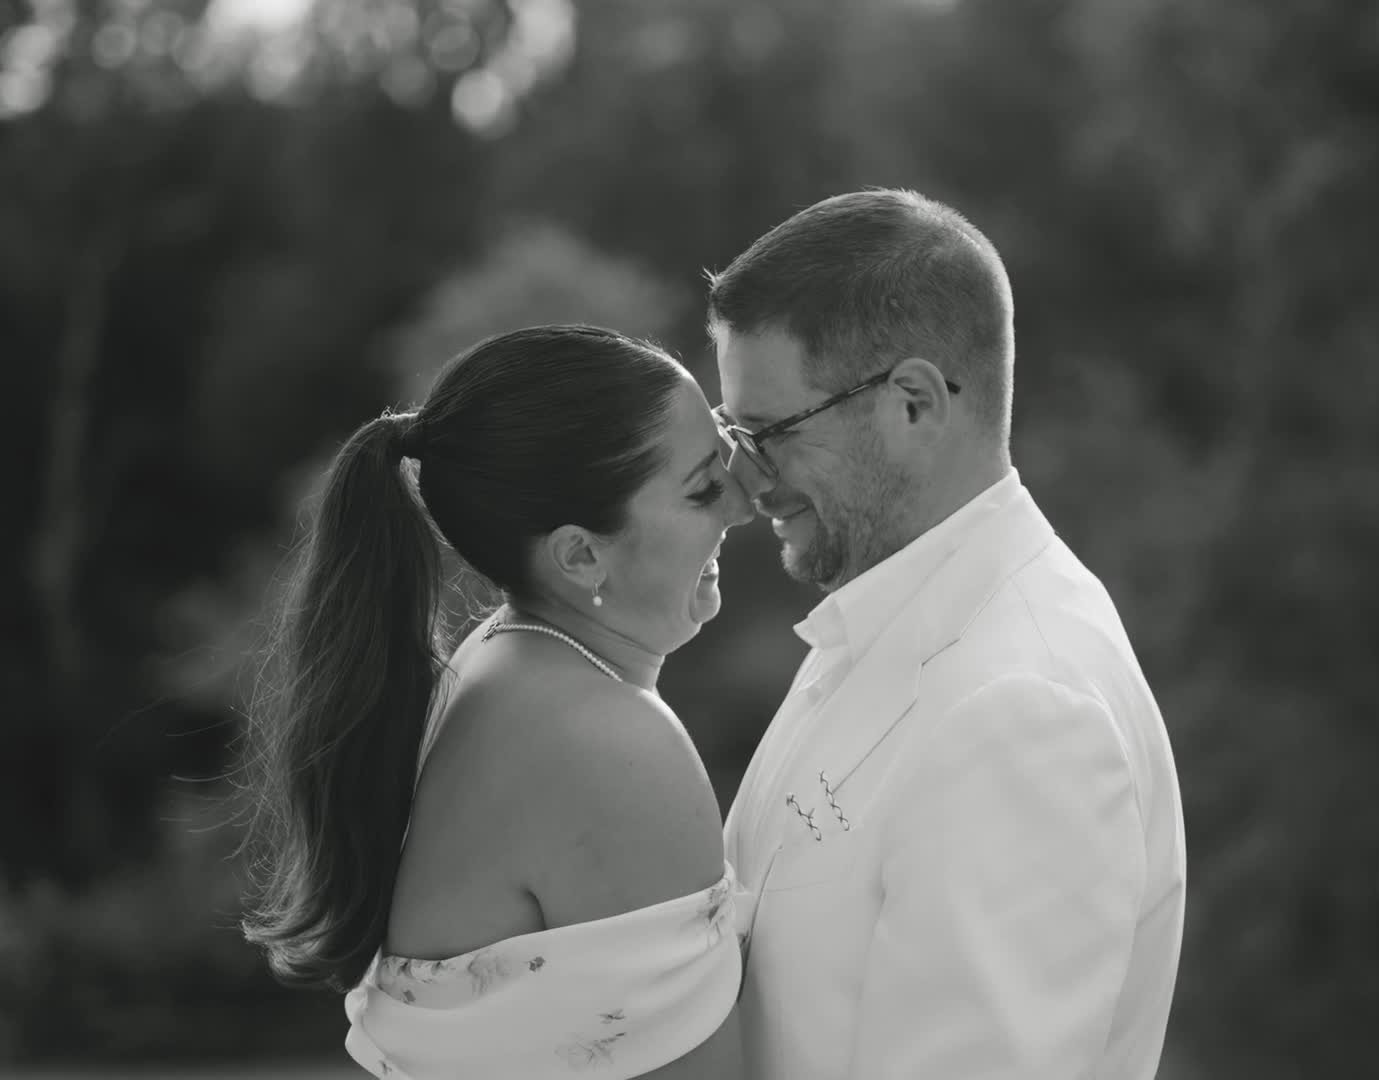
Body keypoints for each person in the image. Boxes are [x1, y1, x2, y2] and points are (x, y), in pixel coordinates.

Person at [709, 189, 1187, 1079]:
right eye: (732, 434)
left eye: (769, 434)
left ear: (915, 404)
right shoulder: (884, 626)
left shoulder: (1025, 708)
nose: (748, 485)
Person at [240, 325, 752, 1079]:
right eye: (704, 486)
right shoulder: (607, 741)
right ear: (581, 554)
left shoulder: (496, 664)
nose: (743, 503)